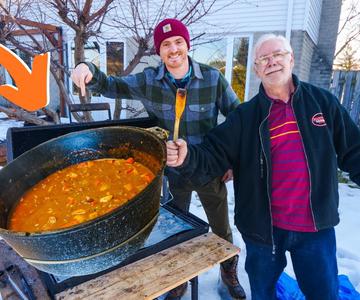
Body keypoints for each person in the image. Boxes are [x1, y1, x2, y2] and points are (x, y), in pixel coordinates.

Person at [166, 33, 360, 300]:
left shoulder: (322, 103)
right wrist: (187, 157)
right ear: (256, 69)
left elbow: (354, 149)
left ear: (291, 59)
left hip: (316, 228)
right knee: (263, 293)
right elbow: (211, 155)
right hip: (263, 231)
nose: (272, 62)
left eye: (277, 55)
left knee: (323, 294)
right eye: (264, 59)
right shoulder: (245, 117)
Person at [71, 18, 246, 300]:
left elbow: (239, 118)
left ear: (187, 45)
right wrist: (87, 68)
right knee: (175, 232)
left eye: (178, 42)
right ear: (159, 51)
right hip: (173, 172)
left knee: (221, 228)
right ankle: (178, 280)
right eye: (166, 44)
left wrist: (233, 159)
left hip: (208, 168)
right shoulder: (149, 80)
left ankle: (228, 271)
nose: (173, 49)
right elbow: (111, 85)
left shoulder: (212, 79)